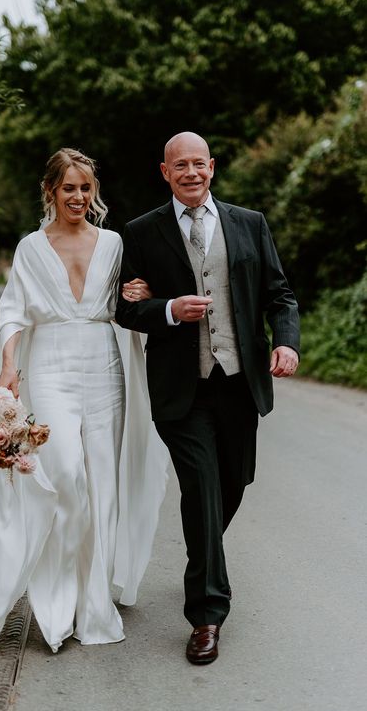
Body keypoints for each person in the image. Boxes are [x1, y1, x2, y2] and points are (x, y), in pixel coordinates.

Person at [0, 148, 167, 652]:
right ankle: (56, 602)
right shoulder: (30, 248)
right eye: (69, 188)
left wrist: (140, 292)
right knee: (64, 475)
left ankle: (93, 602)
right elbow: (13, 310)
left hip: (106, 367)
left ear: (94, 192)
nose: (78, 197)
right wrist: (9, 366)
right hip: (52, 368)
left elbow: (129, 300)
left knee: (103, 480)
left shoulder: (112, 243)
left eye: (85, 188)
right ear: (51, 192)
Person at [115, 131, 300, 665]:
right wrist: (169, 309)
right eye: (181, 166)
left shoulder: (250, 223)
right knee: (200, 488)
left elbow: (279, 293)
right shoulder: (141, 232)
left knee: (233, 483)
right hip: (181, 386)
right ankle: (207, 614)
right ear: (165, 172)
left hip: (239, 382)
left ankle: (205, 554)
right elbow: (125, 308)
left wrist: (285, 342)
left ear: (212, 168)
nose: (191, 173)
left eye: (200, 164)